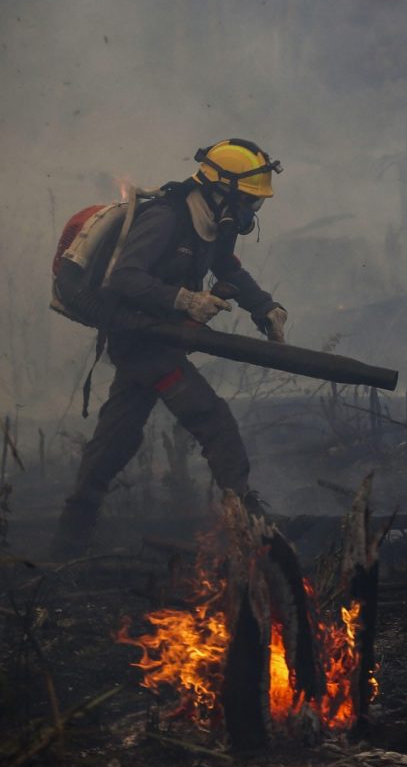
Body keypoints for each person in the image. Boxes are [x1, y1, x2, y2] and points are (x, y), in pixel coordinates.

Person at [50, 139, 289, 559]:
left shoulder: (212, 224)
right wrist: (185, 300)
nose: (250, 213)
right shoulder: (165, 219)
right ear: (221, 190)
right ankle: (250, 525)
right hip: (138, 341)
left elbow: (227, 266)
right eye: (247, 200)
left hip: (157, 342)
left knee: (115, 440)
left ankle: (68, 540)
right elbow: (125, 278)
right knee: (212, 419)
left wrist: (265, 306)